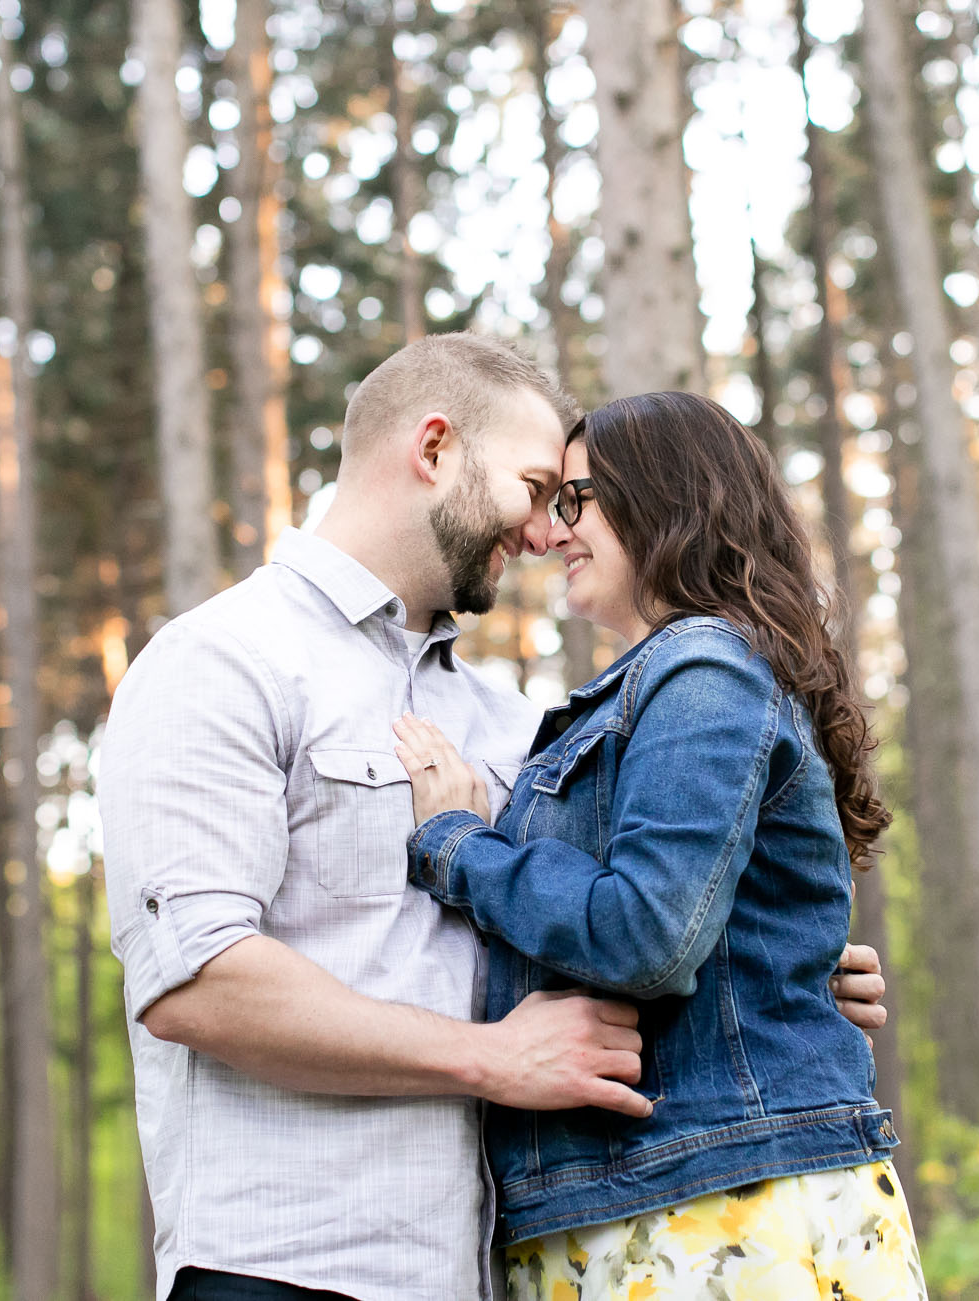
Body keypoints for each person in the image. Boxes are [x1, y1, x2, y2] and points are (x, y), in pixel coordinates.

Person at [99, 335, 889, 1301]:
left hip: (491, 1264)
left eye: (570, 501)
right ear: (433, 450)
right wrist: (492, 1059)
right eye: (533, 487)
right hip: (290, 1264)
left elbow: (623, 920)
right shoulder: (224, 659)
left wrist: (772, 964)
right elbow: (199, 983)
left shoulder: (515, 723)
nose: (543, 532)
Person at [390, 390, 924, 1300]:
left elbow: (646, 933)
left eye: (574, 500)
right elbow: (688, 920)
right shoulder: (645, 687)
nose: (553, 532)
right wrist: (775, 964)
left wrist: (458, 846)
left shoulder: (702, 668)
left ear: (663, 495)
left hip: (721, 1201)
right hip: (644, 1202)